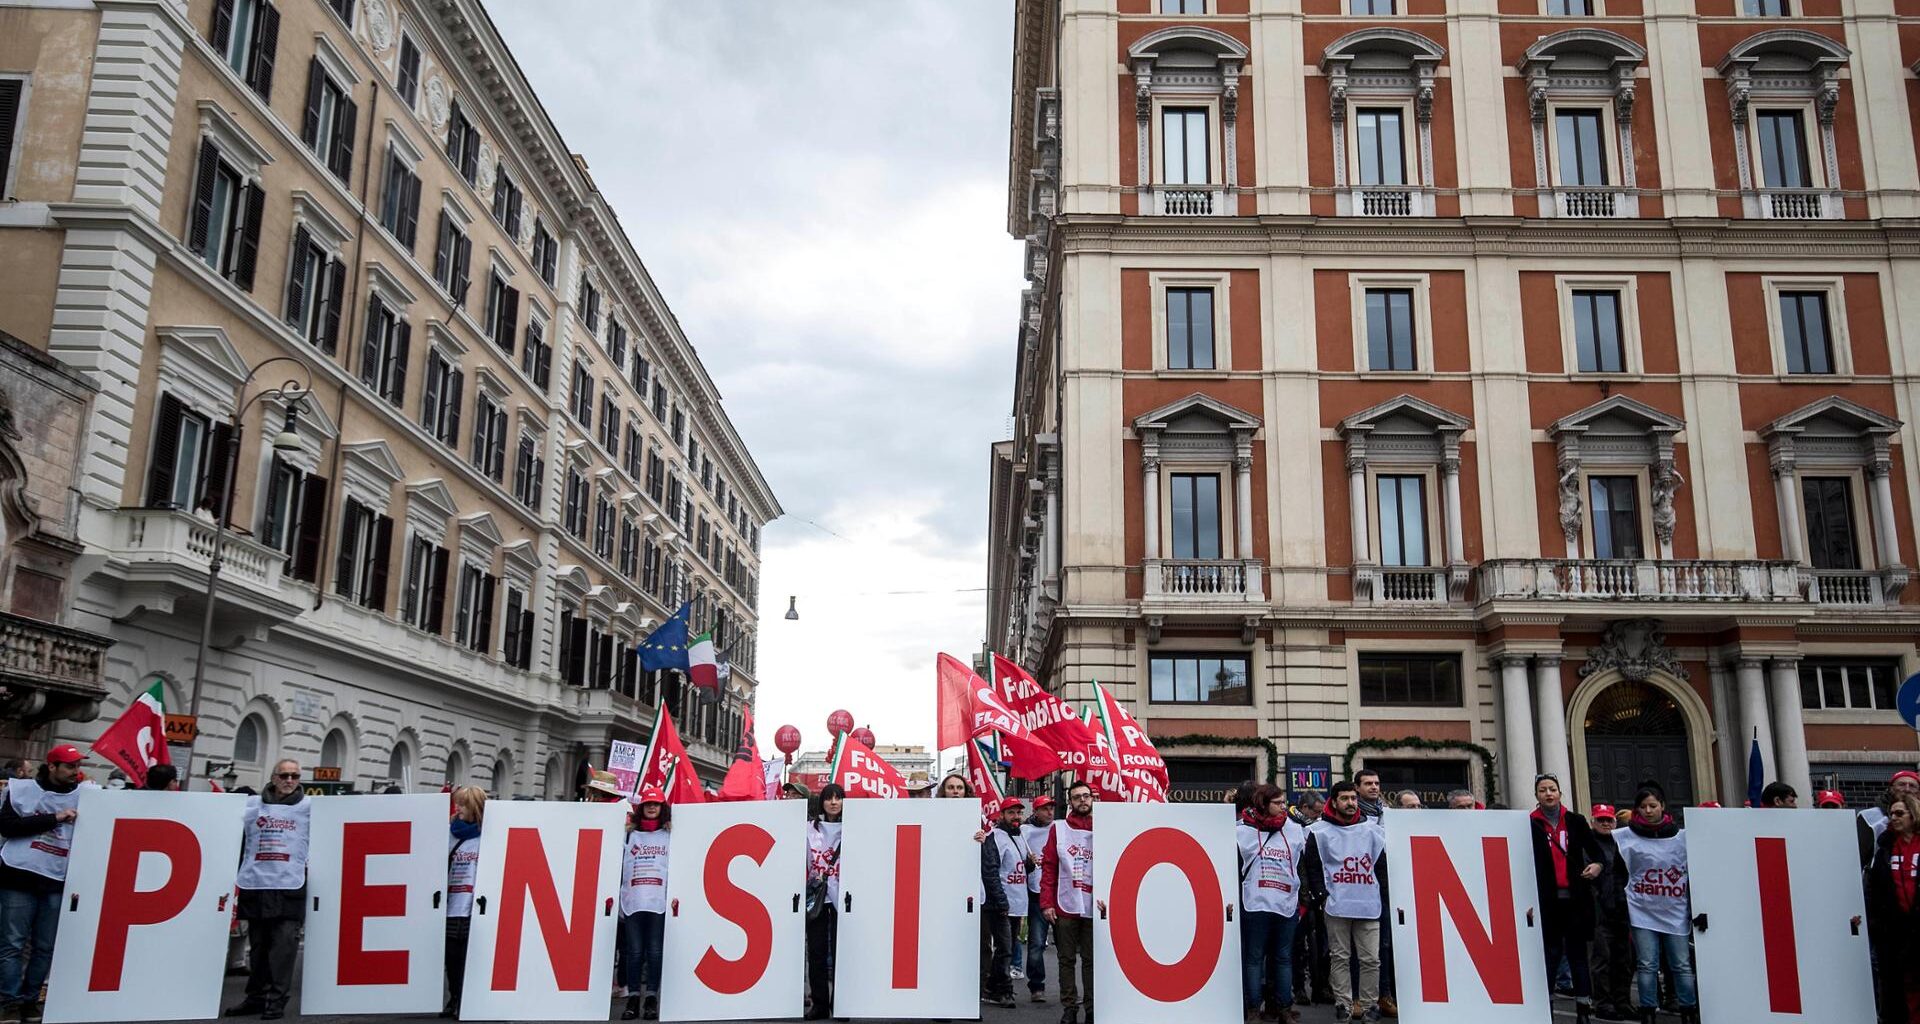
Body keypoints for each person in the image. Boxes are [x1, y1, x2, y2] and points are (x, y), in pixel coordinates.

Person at [0, 745, 87, 1024]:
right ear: (52, 767)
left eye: (77, 766)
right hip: (19, 874)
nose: (75, 772)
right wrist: (54, 818)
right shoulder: (21, 790)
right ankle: (9, 1002)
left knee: (44, 946)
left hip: (57, 878)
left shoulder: (87, 796)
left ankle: (29, 1001)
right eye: (70, 766)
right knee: (12, 943)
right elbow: (8, 827)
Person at [228, 759, 312, 1020]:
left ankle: (276, 1001)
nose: (290, 780)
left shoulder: (310, 808)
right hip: (258, 885)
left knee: (283, 949)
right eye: (285, 775)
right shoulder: (252, 806)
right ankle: (256, 998)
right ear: (273, 777)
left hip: (290, 888)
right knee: (260, 948)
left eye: (295, 776)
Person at [1304, 781, 1386, 1023]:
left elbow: (1380, 865)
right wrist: (1322, 895)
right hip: (1337, 903)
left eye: (1353, 798)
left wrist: (1380, 892)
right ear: (1334, 801)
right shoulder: (1319, 831)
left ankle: (1370, 1004)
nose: (1351, 803)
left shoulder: (1372, 829)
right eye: (1345, 799)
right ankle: (1344, 1004)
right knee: (1340, 957)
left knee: (1371, 958)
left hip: (1368, 902)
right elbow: (1313, 866)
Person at [1612, 785, 1695, 1024]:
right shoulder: (1626, 837)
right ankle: (1648, 1010)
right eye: (1643, 807)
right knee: (1647, 964)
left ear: (1663, 806)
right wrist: (1621, 903)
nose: (1648, 811)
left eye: (1653, 806)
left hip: (1675, 911)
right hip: (1642, 911)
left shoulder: (1683, 837)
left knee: (1680, 964)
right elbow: (1619, 874)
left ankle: (1688, 1009)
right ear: (1636, 809)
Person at [1530, 775, 1604, 1024]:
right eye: (1543, 790)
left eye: (1552, 789)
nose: (1548, 794)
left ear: (1560, 793)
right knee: (1549, 958)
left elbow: (1597, 853)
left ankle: (1583, 1010)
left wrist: (1597, 866)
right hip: (1546, 903)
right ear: (1537, 795)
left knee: (1578, 957)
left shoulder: (1576, 821)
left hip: (1576, 901)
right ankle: (1546, 1010)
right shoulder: (1529, 824)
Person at [1238, 783, 1307, 1023]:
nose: (1283, 807)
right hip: (1255, 903)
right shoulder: (1242, 830)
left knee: (1283, 958)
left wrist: (1305, 899)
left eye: (1283, 802)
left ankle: (1283, 1008)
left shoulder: (1295, 830)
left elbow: (1302, 864)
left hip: (1286, 903)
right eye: (1277, 803)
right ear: (1263, 804)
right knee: (1255, 958)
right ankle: (1254, 1008)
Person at [1039, 780, 1095, 1024]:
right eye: (1077, 797)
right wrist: (1046, 903)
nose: (1082, 800)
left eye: (1086, 796)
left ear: (1092, 799)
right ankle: (1069, 1008)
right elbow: (1049, 868)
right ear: (1070, 802)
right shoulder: (1058, 829)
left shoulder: (1107, 826)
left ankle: (1093, 1008)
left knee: (1092, 961)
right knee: (1066, 960)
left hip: (1096, 904)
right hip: (1066, 903)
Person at [1866, 791, 1920, 1024]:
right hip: (1897, 935)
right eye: (1891, 814)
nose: (1893, 818)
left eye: (1899, 813)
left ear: (1913, 815)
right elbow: (1876, 889)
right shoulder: (1886, 849)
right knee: (1902, 989)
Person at [619, 787, 670, 1021]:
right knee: (634, 953)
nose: (652, 807)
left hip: (658, 902)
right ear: (641, 808)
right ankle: (632, 998)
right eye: (648, 804)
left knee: (655, 953)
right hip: (633, 902)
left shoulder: (670, 835)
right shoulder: (629, 835)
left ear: (662, 808)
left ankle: (651, 998)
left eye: (656, 804)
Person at [1585, 805, 1632, 1023]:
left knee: (1624, 958)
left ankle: (1622, 1001)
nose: (1605, 824)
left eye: (1609, 820)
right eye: (1601, 820)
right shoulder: (1587, 844)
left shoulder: (1623, 843)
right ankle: (1603, 1003)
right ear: (1593, 821)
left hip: (1622, 908)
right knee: (1601, 959)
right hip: (1598, 909)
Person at [1288, 791, 1332, 1008]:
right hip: (1298, 895)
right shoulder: (1289, 825)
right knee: (1298, 945)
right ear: (1304, 808)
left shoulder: (1323, 827)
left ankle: (1321, 985)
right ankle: (1298, 989)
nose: (1319, 816)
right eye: (1316, 812)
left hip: (1320, 892)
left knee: (1324, 943)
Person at [444, 786, 485, 1019]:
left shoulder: (487, 835)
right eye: (457, 802)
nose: (457, 807)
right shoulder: (449, 833)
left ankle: (465, 999)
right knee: (451, 957)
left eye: (463, 803)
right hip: (450, 904)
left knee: (469, 957)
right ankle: (455, 997)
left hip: (474, 907)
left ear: (475, 807)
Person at [804, 783, 844, 1021]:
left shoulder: (856, 828)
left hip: (844, 899)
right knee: (817, 952)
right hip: (817, 898)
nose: (833, 802)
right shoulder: (809, 828)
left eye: (838, 798)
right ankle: (819, 1003)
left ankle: (840, 1002)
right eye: (829, 798)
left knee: (842, 953)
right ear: (822, 802)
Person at [989, 799, 1031, 1010]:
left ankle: (991, 987)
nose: (1016, 817)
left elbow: (1019, 867)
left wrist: (1030, 864)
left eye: (1018, 813)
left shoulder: (1020, 836)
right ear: (1002, 815)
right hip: (1003, 902)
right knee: (1005, 948)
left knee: (1009, 946)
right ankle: (1003, 991)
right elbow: (992, 870)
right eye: (1011, 813)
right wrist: (1000, 899)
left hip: (1018, 901)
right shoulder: (996, 837)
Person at [1020, 795, 1056, 1004]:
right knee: (1036, 943)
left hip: (1059, 891)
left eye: (1051, 808)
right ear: (1035, 811)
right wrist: (1028, 862)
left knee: (1067, 947)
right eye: (1045, 809)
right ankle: (1037, 986)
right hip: (1037, 892)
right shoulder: (1026, 832)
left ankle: (1068, 987)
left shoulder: (1059, 828)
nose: (1050, 812)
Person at [1862, 770, 1920, 865]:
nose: (1907, 789)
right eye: (1901, 784)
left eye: (1912, 786)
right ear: (1891, 788)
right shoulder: (1870, 817)